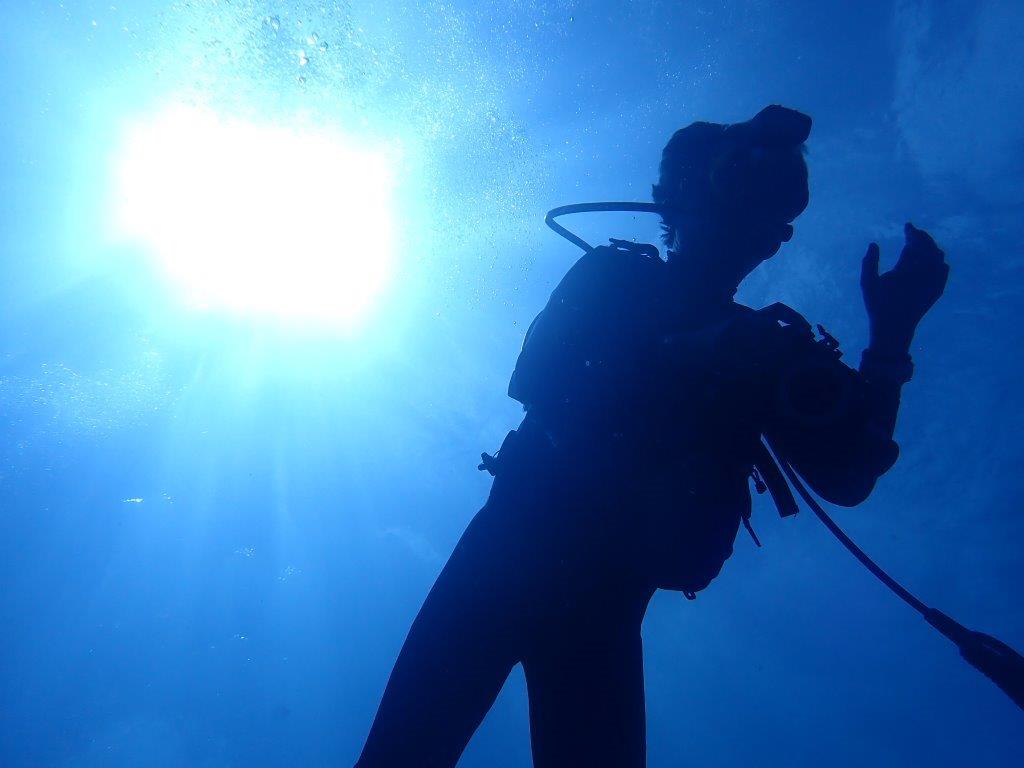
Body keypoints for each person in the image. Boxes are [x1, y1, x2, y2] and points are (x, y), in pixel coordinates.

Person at [355, 105, 949, 767]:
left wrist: (891, 339)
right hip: (506, 558)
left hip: (604, 606)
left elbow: (849, 477)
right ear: (676, 199)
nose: (760, 220)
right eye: (741, 187)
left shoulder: (771, 353)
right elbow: (541, 376)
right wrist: (703, 350)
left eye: (778, 205)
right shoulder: (616, 277)